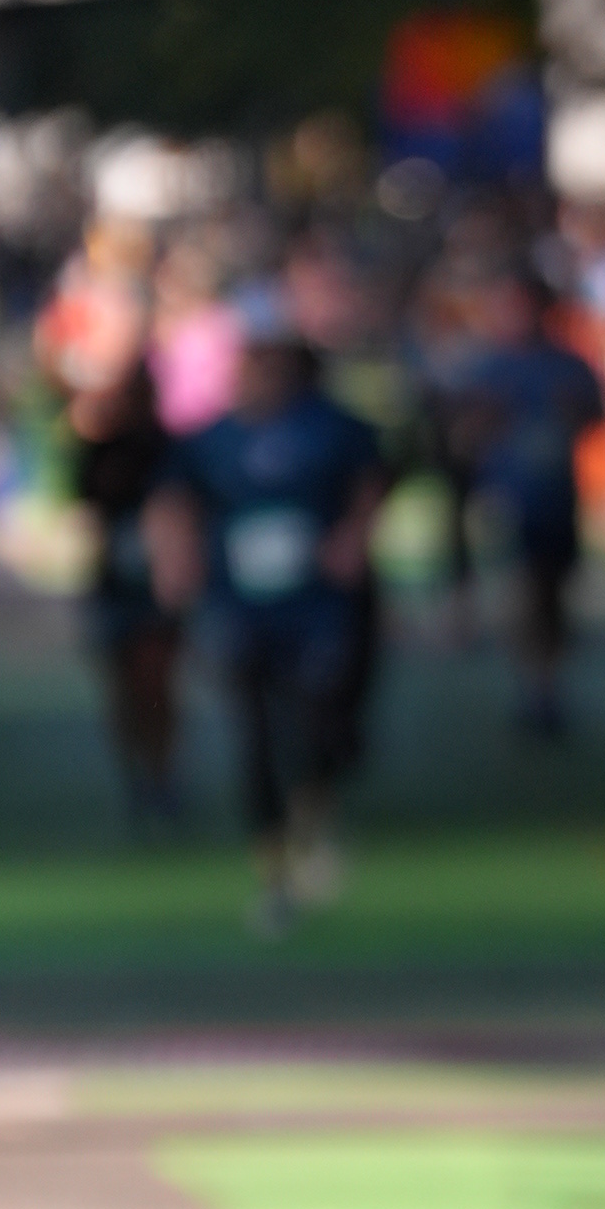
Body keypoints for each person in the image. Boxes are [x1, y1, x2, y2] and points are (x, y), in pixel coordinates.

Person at [151, 319, 385, 922]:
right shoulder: (210, 440)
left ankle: (315, 806)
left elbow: (370, 480)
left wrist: (353, 538)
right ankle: (273, 861)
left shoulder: (332, 429)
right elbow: (173, 498)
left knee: (319, 715)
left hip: (316, 605)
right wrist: (176, 561)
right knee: (254, 731)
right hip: (240, 606)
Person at [464, 281, 605, 736]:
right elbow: (463, 434)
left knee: (551, 591)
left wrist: (572, 413)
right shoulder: (488, 367)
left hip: (556, 496)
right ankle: (532, 686)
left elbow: (597, 419)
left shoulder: (568, 365)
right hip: (509, 496)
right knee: (522, 589)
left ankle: (548, 683)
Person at [66, 353, 182, 822]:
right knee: (122, 687)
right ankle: (139, 774)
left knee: (155, 683)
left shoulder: (169, 451)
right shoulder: (103, 449)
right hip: (115, 584)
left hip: (155, 587)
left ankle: (159, 772)